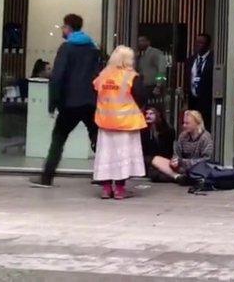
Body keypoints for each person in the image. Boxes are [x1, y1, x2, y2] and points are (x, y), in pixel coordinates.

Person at [30, 14, 103, 188]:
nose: (62, 30)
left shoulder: (66, 48)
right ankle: (104, 175)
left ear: (69, 28)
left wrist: (53, 102)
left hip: (70, 103)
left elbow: (57, 77)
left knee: (59, 138)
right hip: (90, 102)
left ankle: (47, 177)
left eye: (63, 26)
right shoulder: (94, 49)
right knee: (97, 138)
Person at [92, 46, 148, 199]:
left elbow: (95, 93)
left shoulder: (102, 76)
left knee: (105, 156)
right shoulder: (131, 76)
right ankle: (119, 189)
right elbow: (142, 96)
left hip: (105, 122)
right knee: (122, 157)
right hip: (125, 123)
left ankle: (105, 189)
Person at [149, 110, 214, 184]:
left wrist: (182, 162)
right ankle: (178, 177)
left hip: (197, 168)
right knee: (156, 161)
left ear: (196, 123)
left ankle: (178, 177)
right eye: (183, 123)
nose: (184, 126)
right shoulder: (183, 136)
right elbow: (176, 154)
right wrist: (174, 161)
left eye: (187, 123)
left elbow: (206, 160)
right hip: (181, 168)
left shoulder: (205, 137)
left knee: (159, 174)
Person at [186, 33, 214, 131]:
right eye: (197, 42)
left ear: (208, 45)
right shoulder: (191, 60)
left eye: (201, 43)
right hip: (193, 101)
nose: (198, 45)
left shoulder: (214, 60)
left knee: (205, 128)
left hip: (207, 102)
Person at [141, 107, 175, 182]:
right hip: (149, 160)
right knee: (156, 175)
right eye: (146, 113)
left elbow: (169, 150)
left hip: (163, 160)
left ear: (158, 114)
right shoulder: (143, 131)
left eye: (151, 113)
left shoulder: (168, 131)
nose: (147, 116)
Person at [136, 35, 167, 99]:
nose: (140, 43)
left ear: (148, 42)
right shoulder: (141, 55)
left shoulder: (156, 53)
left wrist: (158, 86)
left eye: (142, 41)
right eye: (139, 41)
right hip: (144, 87)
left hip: (154, 87)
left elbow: (162, 70)